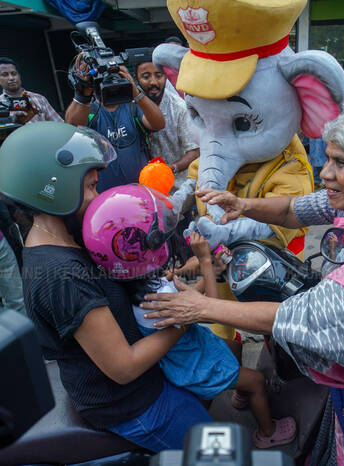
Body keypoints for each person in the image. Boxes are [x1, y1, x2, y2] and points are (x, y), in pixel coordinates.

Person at [141, 107, 344, 465]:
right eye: (328, 158)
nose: (326, 173)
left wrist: (202, 308)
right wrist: (242, 204)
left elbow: (303, 317)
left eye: (340, 162)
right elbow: (293, 209)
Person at [0, 121, 211, 452]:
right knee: (217, 448)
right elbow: (124, 367)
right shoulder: (63, 275)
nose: (98, 197)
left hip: (145, 381)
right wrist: (184, 319)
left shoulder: (70, 237)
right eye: (90, 187)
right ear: (52, 190)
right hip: (130, 404)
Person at [82, 185, 296, 448]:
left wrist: (210, 270)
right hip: (196, 363)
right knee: (258, 381)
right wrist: (205, 262)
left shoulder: (136, 284)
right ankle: (267, 432)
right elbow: (214, 310)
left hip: (189, 347)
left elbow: (187, 298)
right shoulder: (159, 298)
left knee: (235, 347)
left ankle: (241, 392)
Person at [65, 55, 165, 193]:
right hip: (105, 197)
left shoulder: (132, 107)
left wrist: (135, 92)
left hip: (141, 193)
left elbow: (159, 124)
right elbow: (72, 128)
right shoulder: (90, 111)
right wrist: (84, 92)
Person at [135, 57, 199, 189]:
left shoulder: (180, 108)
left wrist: (172, 168)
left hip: (177, 189)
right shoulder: (130, 106)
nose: (154, 82)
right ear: (136, 79)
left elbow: (194, 151)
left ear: (165, 77)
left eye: (159, 76)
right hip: (144, 188)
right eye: (146, 77)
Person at [0, 57, 63, 124]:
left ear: (19, 75)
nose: (11, 78)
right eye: (5, 75)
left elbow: (60, 125)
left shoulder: (39, 99)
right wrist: (13, 120)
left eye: (14, 73)